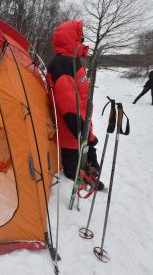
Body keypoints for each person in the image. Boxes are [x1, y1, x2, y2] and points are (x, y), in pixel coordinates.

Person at [46, 20, 104, 191]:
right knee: (73, 168)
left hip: (81, 126)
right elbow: (70, 107)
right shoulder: (63, 65)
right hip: (71, 131)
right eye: (80, 38)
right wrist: (83, 135)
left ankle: (89, 171)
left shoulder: (71, 61)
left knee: (91, 159)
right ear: (72, 40)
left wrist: (88, 133)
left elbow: (79, 97)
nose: (83, 41)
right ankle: (82, 177)